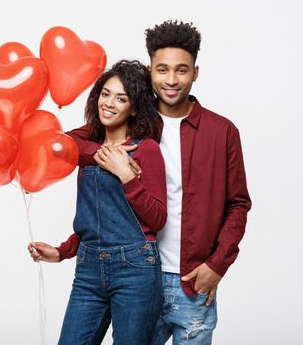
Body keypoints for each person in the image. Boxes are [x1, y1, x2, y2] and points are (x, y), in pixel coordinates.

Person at [48, 20, 252, 344]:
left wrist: (217, 264)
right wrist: (110, 153)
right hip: (140, 275)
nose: (171, 80)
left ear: (195, 73)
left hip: (191, 281)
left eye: (181, 70)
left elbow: (238, 204)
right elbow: (69, 142)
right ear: (150, 70)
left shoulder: (222, 131)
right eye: (162, 70)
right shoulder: (133, 119)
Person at [28, 60, 167, 345]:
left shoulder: (146, 149)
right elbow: (61, 142)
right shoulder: (87, 144)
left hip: (135, 270)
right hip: (89, 268)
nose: (110, 104)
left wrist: (127, 176)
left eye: (121, 98)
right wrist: (63, 251)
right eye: (105, 94)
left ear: (135, 107)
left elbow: (158, 218)